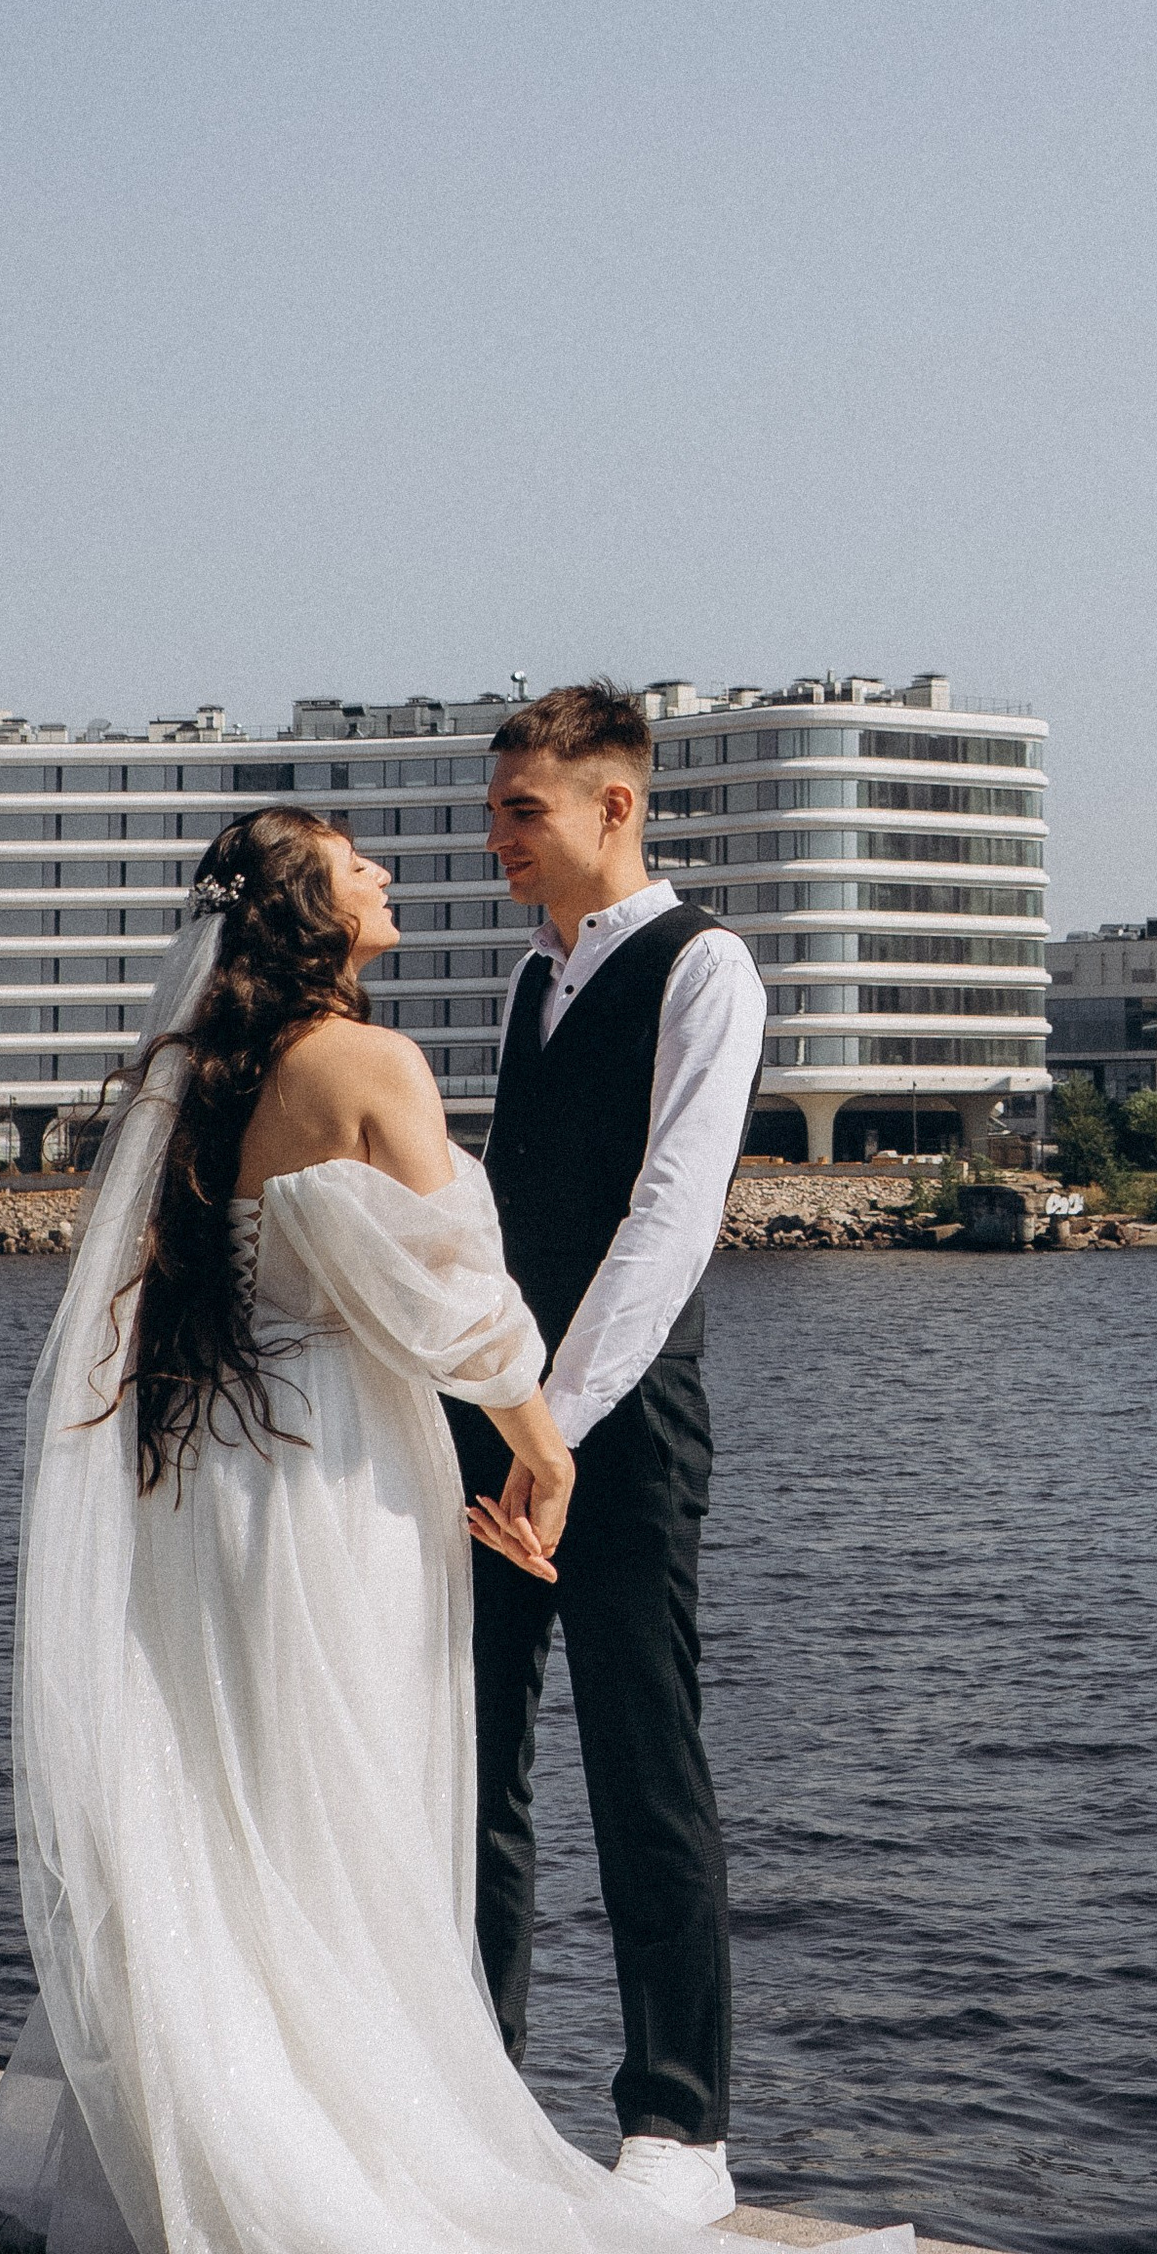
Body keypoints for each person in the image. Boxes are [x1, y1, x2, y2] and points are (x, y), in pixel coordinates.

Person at [0, 803, 899, 2254]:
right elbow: (465, 1303)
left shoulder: (197, 1075)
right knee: (362, 1804)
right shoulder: (372, 1066)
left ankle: (247, 2109)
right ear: (313, 915)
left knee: (246, 1801)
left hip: (218, 1480)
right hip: (336, 1479)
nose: (390, 873)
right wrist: (546, 1449)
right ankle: (373, 2139)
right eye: (359, 866)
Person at [457, 685, 767, 2232]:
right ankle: (475, 2086)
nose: (496, 833)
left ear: (613, 807)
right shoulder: (529, 985)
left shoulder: (706, 967)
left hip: (624, 1434)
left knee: (645, 1758)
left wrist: (555, 1430)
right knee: (475, 1765)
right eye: (497, 805)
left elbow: (670, 1223)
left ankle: (680, 2125)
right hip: (499, 1423)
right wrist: (498, 1415)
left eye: (523, 808)